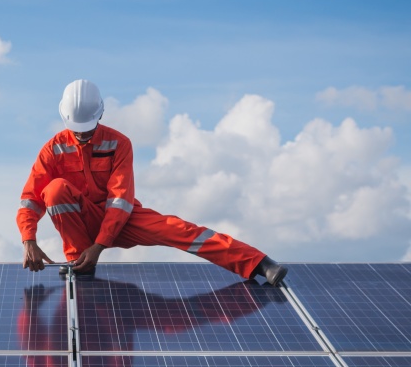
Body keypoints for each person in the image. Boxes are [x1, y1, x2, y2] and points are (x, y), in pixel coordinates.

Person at [17, 79, 289, 285]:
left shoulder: (119, 143)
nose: (83, 137)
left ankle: (257, 263)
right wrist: (28, 239)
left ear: (100, 114)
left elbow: (120, 200)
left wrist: (100, 245)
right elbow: (31, 197)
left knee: (180, 230)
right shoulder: (52, 149)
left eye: (87, 130)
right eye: (77, 131)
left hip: (121, 219)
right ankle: (79, 264)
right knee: (54, 190)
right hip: (82, 219)